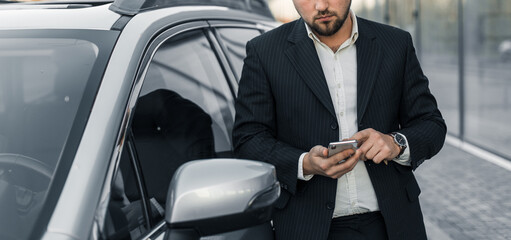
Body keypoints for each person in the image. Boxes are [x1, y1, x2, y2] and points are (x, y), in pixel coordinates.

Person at [232, 0, 447, 239]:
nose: (321, 5)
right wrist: (304, 163)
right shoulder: (264, 51)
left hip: (393, 224)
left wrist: (395, 143)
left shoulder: (396, 43)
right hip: (306, 226)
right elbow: (248, 139)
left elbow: (431, 123)